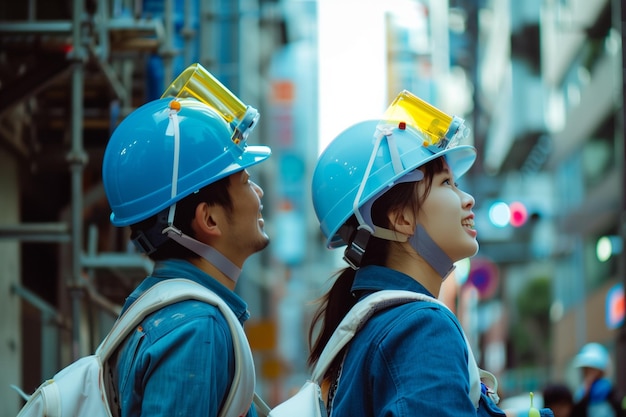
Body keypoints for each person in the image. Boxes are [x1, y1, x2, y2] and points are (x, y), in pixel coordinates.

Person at [307, 90, 553, 417]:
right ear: (402, 218)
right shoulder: (421, 328)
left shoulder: (379, 326)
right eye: (446, 184)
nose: (467, 199)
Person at [101, 64, 271, 417]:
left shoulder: (158, 309)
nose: (258, 192)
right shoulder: (197, 327)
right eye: (244, 181)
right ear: (208, 219)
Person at [570, 343, 624, 417]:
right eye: (585, 369)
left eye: (592, 369)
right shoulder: (582, 393)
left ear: (601, 370)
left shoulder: (613, 393)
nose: (588, 373)